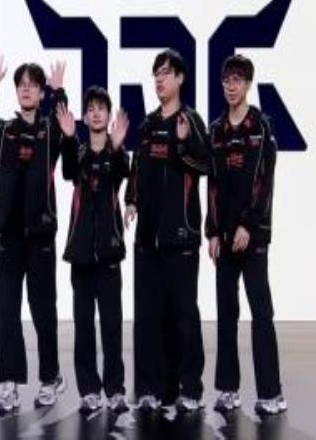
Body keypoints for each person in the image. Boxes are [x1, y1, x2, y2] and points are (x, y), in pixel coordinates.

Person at [0, 54, 67, 415]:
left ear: (42, 93)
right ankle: (9, 385)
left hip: (41, 235)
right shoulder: (5, 131)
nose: (26, 89)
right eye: (21, 85)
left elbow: (65, 127)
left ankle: (50, 379)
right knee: (7, 310)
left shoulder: (49, 131)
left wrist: (60, 92)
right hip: (10, 236)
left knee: (44, 310)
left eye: (33, 84)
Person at [124, 49, 209, 412]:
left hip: (181, 237)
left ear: (180, 79)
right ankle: (149, 389)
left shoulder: (192, 120)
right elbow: (136, 168)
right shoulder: (146, 125)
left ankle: (189, 389)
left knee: (184, 316)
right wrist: (131, 200)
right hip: (147, 239)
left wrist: (182, 143)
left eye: (165, 73)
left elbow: (205, 164)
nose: (159, 79)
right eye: (156, 74)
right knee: (147, 317)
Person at [206, 54, 287, 416]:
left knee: (261, 313)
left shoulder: (261, 127)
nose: (231, 86)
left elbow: (264, 183)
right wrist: (212, 231)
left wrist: (248, 226)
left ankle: (271, 394)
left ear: (248, 84)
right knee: (226, 314)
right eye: (227, 80)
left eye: (237, 80)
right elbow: (212, 185)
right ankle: (228, 390)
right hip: (224, 239)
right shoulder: (216, 131)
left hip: (253, 238)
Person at [57, 86, 130, 415]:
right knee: (84, 326)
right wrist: (69, 138)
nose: (96, 113)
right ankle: (89, 390)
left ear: (108, 115)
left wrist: (117, 146)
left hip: (109, 253)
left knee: (112, 326)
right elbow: (68, 171)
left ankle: (115, 390)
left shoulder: (117, 154)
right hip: (81, 255)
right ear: (85, 117)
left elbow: (123, 172)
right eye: (91, 108)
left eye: (102, 108)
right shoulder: (79, 151)